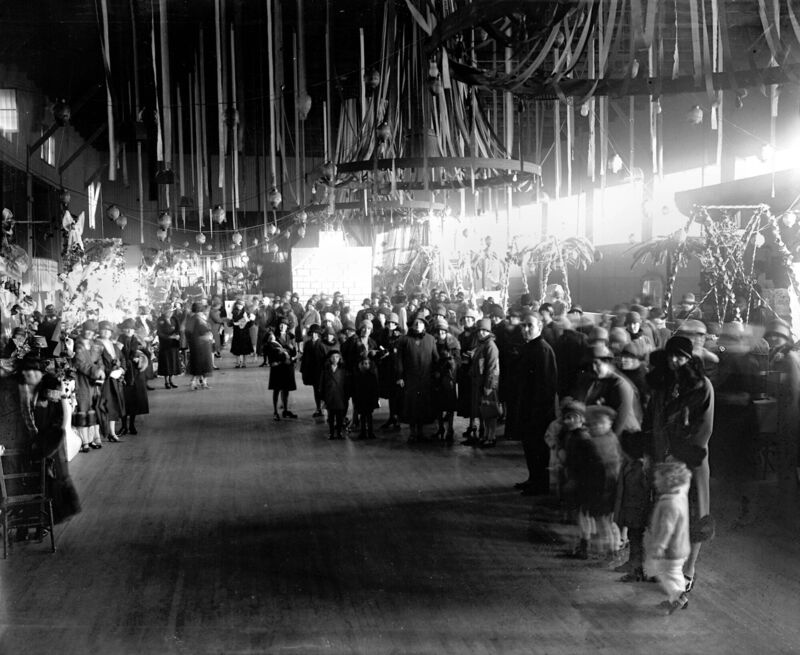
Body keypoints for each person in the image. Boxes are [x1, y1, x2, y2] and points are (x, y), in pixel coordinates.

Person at [646, 336, 714, 603]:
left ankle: (689, 569)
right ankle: (670, 568)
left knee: (696, 516)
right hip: (665, 458)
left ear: (690, 358)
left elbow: (704, 429)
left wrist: (682, 455)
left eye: (681, 357)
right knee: (668, 514)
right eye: (671, 356)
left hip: (691, 460)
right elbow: (655, 419)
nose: (675, 361)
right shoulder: (665, 383)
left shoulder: (702, 385)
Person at [517, 312, 558, 494]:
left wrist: (538, 413)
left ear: (539, 327)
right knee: (530, 447)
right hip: (527, 407)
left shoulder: (542, 349)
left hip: (539, 411)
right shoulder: (529, 347)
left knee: (539, 449)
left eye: (530, 326)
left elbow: (547, 386)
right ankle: (533, 478)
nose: (525, 329)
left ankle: (541, 485)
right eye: (523, 326)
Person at [645, 461, 692, 614]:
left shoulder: (669, 504)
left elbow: (666, 528)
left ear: (668, 481)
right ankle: (678, 597)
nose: (655, 482)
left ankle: (678, 597)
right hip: (682, 546)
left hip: (670, 550)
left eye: (658, 479)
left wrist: (659, 547)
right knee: (675, 573)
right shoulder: (681, 494)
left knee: (664, 574)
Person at [763, 319, 800, 493]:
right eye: (770, 335)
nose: (773, 338)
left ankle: (788, 503)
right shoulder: (779, 356)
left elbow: (793, 391)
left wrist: (787, 418)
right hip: (784, 413)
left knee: (788, 459)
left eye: (777, 335)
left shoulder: (789, 358)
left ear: (786, 338)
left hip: (790, 416)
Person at [396, 315, 439, 442]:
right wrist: (400, 376)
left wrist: (436, 373)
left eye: (420, 323)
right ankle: (412, 432)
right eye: (415, 323)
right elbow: (399, 360)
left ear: (425, 326)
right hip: (410, 379)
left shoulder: (430, 339)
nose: (418, 325)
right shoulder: (404, 340)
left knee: (423, 405)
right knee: (411, 405)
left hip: (426, 378)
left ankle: (421, 432)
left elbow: (435, 358)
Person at [470, 318, 500, 447]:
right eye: (479, 330)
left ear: (489, 332)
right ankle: (486, 435)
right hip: (481, 382)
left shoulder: (491, 346)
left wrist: (488, 385)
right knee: (485, 411)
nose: (481, 333)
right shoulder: (482, 345)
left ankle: (491, 437)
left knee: (490, 411)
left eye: (484, 330)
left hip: (488, 384)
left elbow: (492, 368)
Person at [117, 318, 149, 435]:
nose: (129, 330)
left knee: (134, 399)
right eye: (126, 328)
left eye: (131, 329)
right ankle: (124, 425)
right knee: (124, 399)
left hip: (136, 373)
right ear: (123, 329)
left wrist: (139, 358)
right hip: (124, 371)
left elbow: (146, 353)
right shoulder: (120, 340)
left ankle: (132, 425)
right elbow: (117, 354)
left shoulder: (136, 339)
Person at [96, 321, 126, 442]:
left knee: (114, 406)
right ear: (99, 331)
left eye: (108, 330)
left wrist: (122, 369)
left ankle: (112, 433)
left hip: (116, 380)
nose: (106, 332)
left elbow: (122, 358)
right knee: (105, 405)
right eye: (103, 330)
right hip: (105, 380)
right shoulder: (97, 345)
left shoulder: (113, 345)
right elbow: (98, 363)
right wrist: (109, 372)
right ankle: (103, 433)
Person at [431, 316, 461, 443]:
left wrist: (452, 362)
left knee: (449, 405)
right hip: (437, 377)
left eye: (443, 331)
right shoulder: (433, 342)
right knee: (437, 404)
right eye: (438, 332)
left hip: (449, 377)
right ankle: (441, 428)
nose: (440, 334)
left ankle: (450, 429)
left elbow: (458, 361)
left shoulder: (453, 342)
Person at [266, 318, 298, 420]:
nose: (282, 326)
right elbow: (268, 350)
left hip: (288, 366)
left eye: (284, 325)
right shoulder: (273, 336)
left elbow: (294, 352)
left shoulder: (290, 336)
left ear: (287, 326)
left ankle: (285, 410)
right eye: (280, 324)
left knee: (286, 389)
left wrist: (292, 350)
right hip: (278, 366)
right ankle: (275, 411)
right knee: (276, 389)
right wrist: (272, 362)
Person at [457, 309, 480, 442]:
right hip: (464, 370)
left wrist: (473, 354)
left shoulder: (477, 334)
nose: (467, 321)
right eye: (465, 319)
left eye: (470, 319)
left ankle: (476, 425)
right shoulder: (461, 336)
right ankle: (471, 425)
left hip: (474, 369)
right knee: (467, 398)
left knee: (475, 398)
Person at [320, 349, 348, 440]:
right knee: (331, 416)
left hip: (340, 395)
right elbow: (322, 384)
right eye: (332, 357)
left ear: (340, 358)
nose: (335, 359)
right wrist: (322, 397)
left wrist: (347, 395)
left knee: (340, 416)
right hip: (330, 396)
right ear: (329, 359)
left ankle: (339, 432)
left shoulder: (343, 370)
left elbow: (347, 384)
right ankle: (331, 433)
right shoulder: (326, 370)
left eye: (337, 357)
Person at [185, 303, 215, 390]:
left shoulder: (191, 318)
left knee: (197, 364)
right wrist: (209, 334)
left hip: (194, 344)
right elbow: (204, 329)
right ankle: (202, 382)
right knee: (204, 363)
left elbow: (188, 332)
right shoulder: (198, 319)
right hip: (202, 344)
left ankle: (194, 382)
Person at [300, 325, 326, 417]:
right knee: (316, 390)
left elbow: (325, 358)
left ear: (319, 334)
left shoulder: (322, 344)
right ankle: (318, 408)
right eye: (313, 333)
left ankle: (322, 408)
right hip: (312, 371)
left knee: (322, 390)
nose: (314, 335)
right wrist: (303, 371)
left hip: (321, 371)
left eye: (316, 333)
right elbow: (304, 358)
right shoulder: (307, 344)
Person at [156, 305, 181, 389]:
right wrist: (169, 337)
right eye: (169, 311)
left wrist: (177, 335)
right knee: (166, 364)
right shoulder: (160, 320)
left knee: (173, 362)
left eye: (171, 311)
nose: (171, 313)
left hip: (173, 344)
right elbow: (159, 333)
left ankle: (171, 380)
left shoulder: (174, 319)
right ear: (164, 312)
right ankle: (166, 382)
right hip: (165, 345)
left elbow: (178, 328)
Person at [230, 299, 254, 368]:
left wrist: (251, 320)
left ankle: (244, 363)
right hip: (237, 332)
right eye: (238, 304)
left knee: (245, 349)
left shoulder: (247, 312)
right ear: (236, 304)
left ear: (243, 305)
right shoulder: (233, 312)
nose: (239, 306)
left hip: (245, 332)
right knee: (237, 349)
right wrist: (231, 322)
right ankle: (237, 363)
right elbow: (230, 323)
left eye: (241, 304)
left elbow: (250, 324)